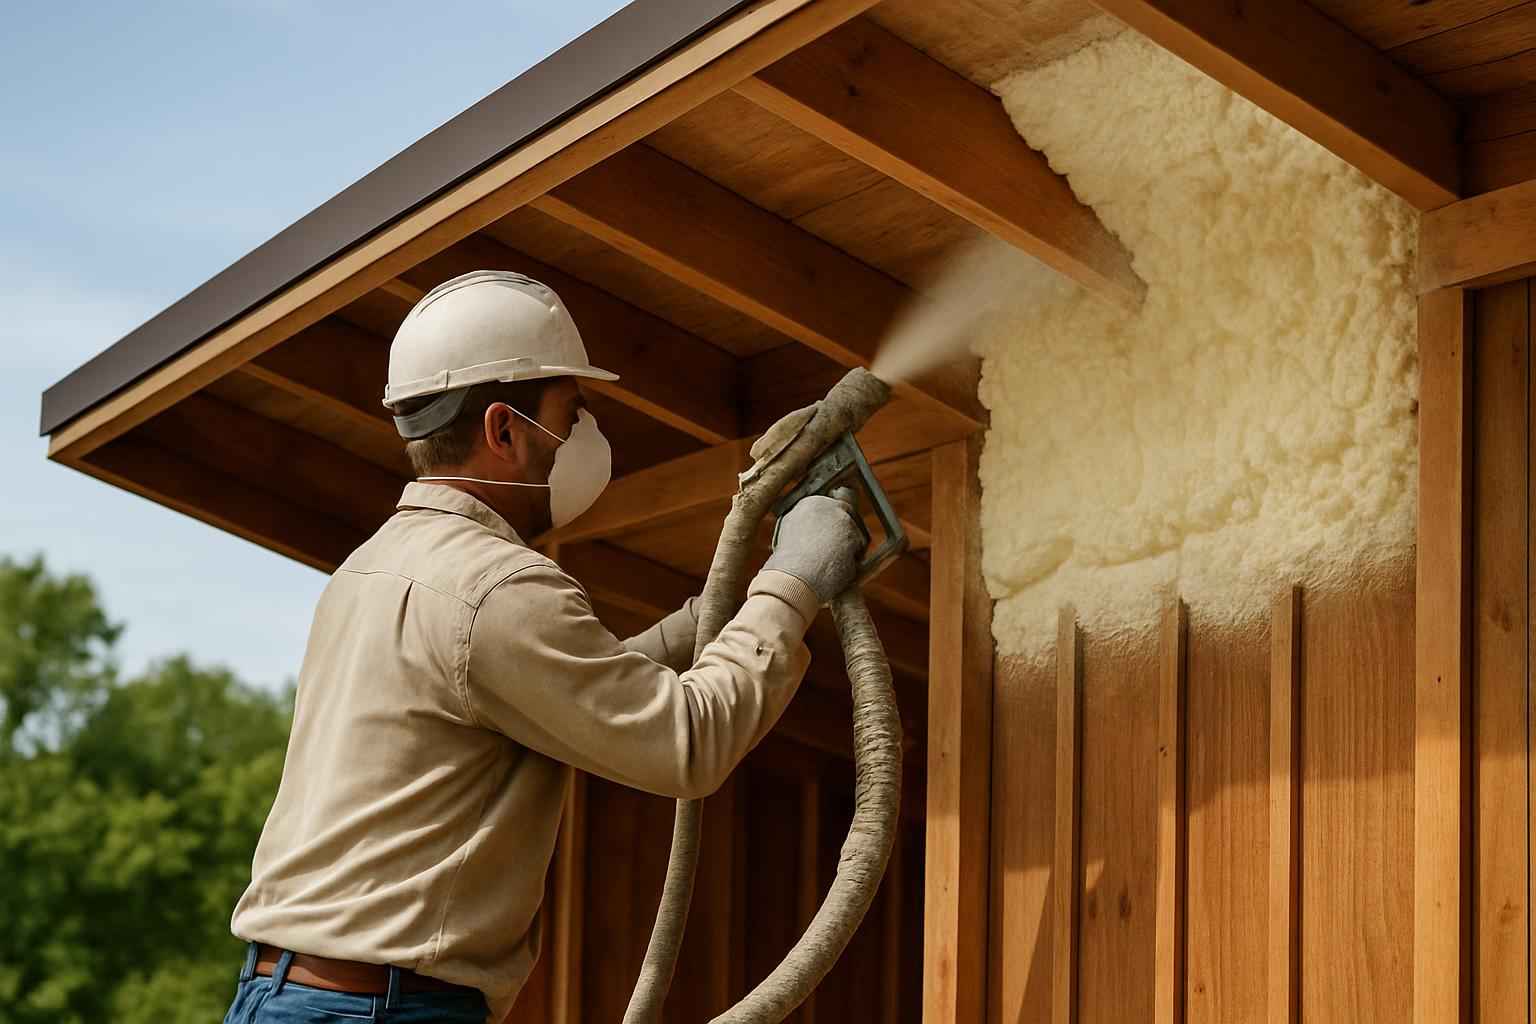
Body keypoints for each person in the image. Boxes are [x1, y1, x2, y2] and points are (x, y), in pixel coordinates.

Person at [222, 270, 866, 1024]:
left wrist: (709, 615)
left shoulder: (370, 569)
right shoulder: (499, 587)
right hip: (377, 1010)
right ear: (503, 430)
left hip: (294, 995)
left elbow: (548, 690)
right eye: (572, 411)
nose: (585, 433)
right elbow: (686, 742)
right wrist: (791, 584)